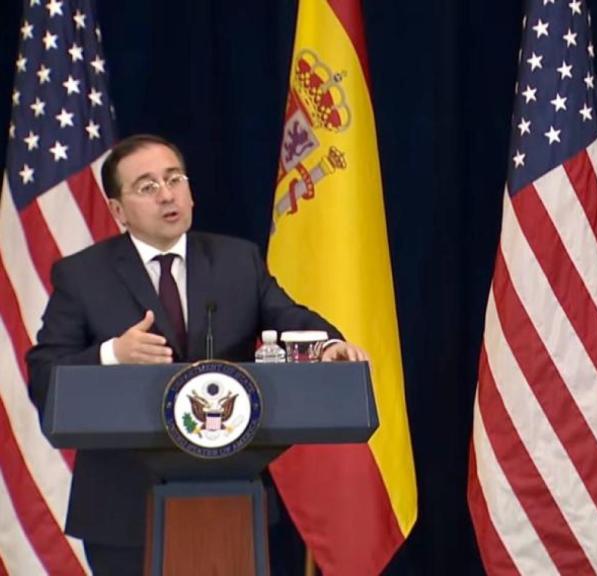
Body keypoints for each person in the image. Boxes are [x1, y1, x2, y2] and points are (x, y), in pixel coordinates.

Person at [26, 134, 368, 575]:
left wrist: (327, 345)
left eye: (174, 179)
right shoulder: (83, 275)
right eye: (147, 187)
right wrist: (112, 354)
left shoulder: (236, 260)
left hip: (229, 496)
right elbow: (43, 375)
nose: (167, 194)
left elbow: (287, 315)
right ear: (117, 211)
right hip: (123, 509)